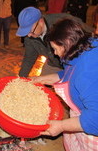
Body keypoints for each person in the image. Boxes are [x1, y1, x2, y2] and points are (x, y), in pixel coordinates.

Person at [32, 18, 98, 151]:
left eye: (56, 49)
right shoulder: (83, 46)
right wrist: (41, 80)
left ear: (67, 42)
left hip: (90, 126)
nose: (55, 53)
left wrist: (61, 126)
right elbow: (67, 74)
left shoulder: (87, 72)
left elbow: (94, 120)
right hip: (80, 114)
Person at [16, 7, 94, 77]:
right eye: (26, 32)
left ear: (41, 21)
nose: (29, 35)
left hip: (74, 63)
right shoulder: (30, 36)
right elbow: (29, 58)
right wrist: (21, 78)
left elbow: (91, 35)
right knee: (42, 86)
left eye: (31, 31)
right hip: (53, 63)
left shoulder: (63, 22)